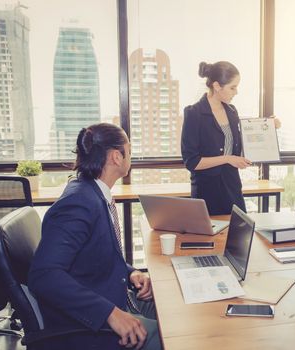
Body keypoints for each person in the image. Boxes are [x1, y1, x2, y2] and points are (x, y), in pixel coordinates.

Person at [28, 123, 161, 350]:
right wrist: (110, 314)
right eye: (129, 150)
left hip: (111, 294)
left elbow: (97, 254)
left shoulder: (94, 193)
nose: (131, 156)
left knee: (168, 306)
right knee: (171, 334)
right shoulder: (78, 203)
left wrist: (131, 273)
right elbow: (43, 275)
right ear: (116, 157)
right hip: (87, 323)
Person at [181, 61, 280, 215]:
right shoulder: (194, 113)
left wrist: (268, 125)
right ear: (217, 86)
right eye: (232, 87)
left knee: (239, 235)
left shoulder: (232, 111)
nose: (236, 92)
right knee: (209, 237)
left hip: (232, 187)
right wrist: (227, 159)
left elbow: (244, 141)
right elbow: (191, 162)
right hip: (207, 192)